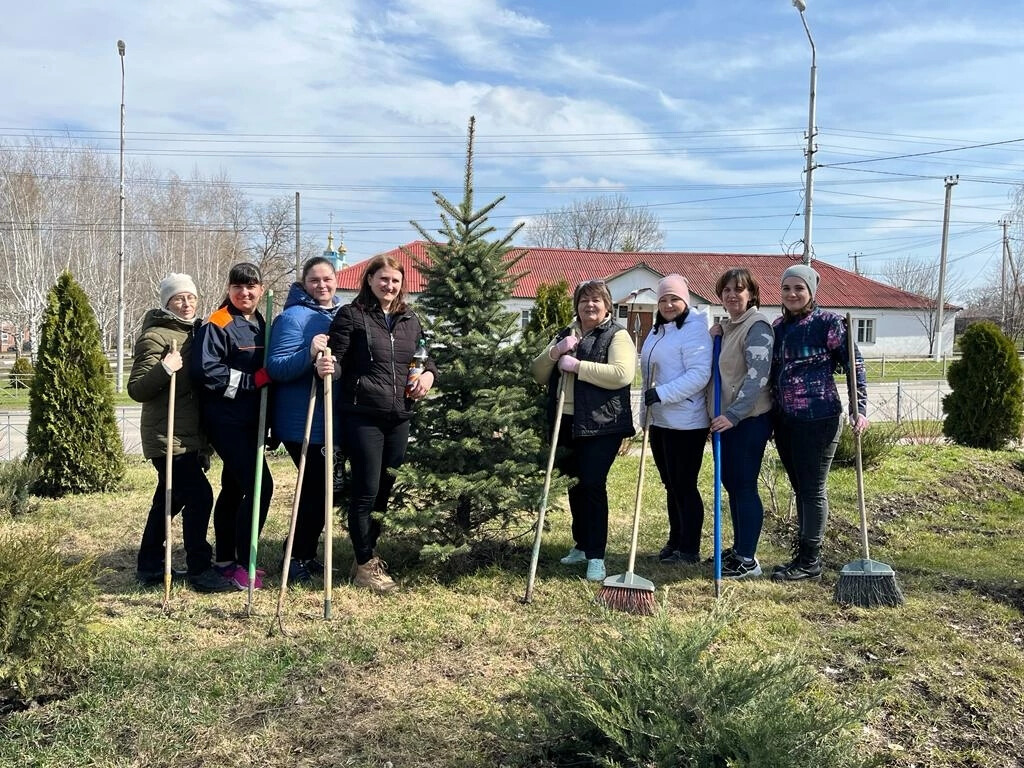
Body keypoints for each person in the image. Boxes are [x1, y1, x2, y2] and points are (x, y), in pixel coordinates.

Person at [323, 254, 437, 594]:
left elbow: (426, 356)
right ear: (370, 280)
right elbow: (339, 360)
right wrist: (328, 368)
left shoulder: (410, 319)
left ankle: (366, 554)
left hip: (399, 415)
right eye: (383, 279)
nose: (389, 286)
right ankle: (365, 565)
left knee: (385, 490)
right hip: (362, 415)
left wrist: (429, 375)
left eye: (396, 281)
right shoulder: (351, 315)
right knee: (366, 491)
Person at [128, 274, 234, 592]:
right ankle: (200, 568)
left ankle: (148, 565)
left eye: (190, 297)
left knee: (168, 501)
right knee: (200, 496)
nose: (186, 304)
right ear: (167, 303)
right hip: (167, 436)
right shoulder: (156, 337)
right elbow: (136, 389)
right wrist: (165, 368)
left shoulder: (199, 332)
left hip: (190, 435)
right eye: (178, 299)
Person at [531, 279, 637, 582]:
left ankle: (596, 556)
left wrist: (577, 366)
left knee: (592, 484)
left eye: (596, 300)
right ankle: (580, 544)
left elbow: (621, 374)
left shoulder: (616, 335)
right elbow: (538, 374)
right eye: (583, 300)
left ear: (606, 305)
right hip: (566, 420)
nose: (589, 305)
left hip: (602, 424)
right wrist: (555, 353)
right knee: (574, 484)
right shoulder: (566, 334)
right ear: (576, 305)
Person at [770, 264, 868, 582]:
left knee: (812, 490)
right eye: (787, 288)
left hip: (819, 419)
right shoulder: (778, 327)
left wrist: (859, 408)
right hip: (786, 421)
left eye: (799, 288)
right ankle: (802, 554)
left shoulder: (829, 324)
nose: (792, 294)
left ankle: (811, 560)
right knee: (800, 488)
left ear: (812, 292)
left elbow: (855, 366)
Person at [192, 262, 274, 591]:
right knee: (260, 486)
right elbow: (205, 372)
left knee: (234, 487)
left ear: (261, 289)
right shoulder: (218, 322)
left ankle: (225, 559)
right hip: (226, 421)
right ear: (229, 290)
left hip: (252, 420)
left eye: (251, 286)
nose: (245, 292)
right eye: (238, 287)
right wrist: (250, 382)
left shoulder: (262, 322)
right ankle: (244, 564)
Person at [266, 255, 341, 585]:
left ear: (336, 281)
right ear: (304, 284)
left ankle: (305, 554)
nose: (322, 285)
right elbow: (277, 367)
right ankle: (294, 556)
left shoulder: (338, 315)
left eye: (327, 279)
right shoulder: (292, 318)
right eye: (315, 280)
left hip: (329, 420)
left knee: (324, 491)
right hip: (302, 423)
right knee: (314, 491)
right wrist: (309, 354)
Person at [639, 274, 712, 565]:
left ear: (686, 300)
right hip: (661, 420)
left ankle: (690, 548)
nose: (669, 304)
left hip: (686, 422)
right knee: (671, 484)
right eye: (663, 299)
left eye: (674, 298)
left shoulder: (694, 330)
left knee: (684, 484)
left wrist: (662, 394)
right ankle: (675, 539)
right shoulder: (658, 330)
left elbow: (699, 374)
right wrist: (647, 412)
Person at [707, 268, 774, 579]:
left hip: (748, 420)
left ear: (752, 294)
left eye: (739, 289)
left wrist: (733, 416)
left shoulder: (757, 326)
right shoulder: (732, 326)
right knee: (732, 484)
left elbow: (756, 378)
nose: (732, 295)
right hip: (728, 421)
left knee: (744, 486)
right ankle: (738, 550)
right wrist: (717, 334)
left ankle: (748, 558)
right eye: (727, 291)